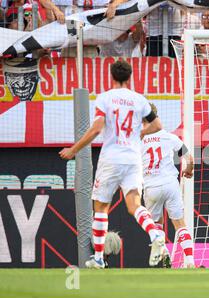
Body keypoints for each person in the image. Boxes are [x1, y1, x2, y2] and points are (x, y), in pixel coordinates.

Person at [59, 60, 165, 269]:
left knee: (100, 207)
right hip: (133, 158)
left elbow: (98, 128)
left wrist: (74, 149)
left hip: (111, 158)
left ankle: (99, 258)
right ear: (130, 77)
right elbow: (158, 125)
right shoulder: (139, 99)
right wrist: (139, 133)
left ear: (111, 76)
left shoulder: (105, 98)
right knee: (134, 205)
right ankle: (155, 234)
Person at [141, 104, 195, 268]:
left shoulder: (138, 139)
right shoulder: (169, 136)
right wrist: (189, 169)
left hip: (151, 186)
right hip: (170, 184)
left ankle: (163, 251)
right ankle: (190, 261)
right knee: (179, 224)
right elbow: (189, 158)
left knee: (156, 224)